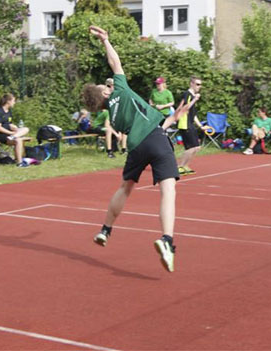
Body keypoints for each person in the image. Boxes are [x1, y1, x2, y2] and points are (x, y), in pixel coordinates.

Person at [81, 25, 191, 272]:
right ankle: (167, 240)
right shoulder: (120, 89)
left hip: (135, 146)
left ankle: (106, 230)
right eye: (104, 85)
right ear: (106, 91)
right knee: (168, 190)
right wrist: (105, 40)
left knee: (125, 186)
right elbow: (114, 61)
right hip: (155, 137)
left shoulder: (114, 115)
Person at [175, 76, 207, 175]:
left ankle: (185, 165)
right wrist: (195, 100)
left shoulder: (193, 96)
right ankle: (179, 166)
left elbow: (193, 115)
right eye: (197, 84)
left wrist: (201, 126)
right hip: (184, 124)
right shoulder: (187, 94)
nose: (199, 87)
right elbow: (184, 107)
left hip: (190, 123)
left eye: (200, 85)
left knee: (196, 147)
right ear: (191, 84)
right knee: (190, 148)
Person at [0, 93, 30, 167]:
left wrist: (14, 128)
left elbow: (9, 124)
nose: (14, 103)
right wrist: (10, 132)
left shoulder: (9, 111)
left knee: (26, 129)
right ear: (8, 101)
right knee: (18, 140)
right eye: (13, 101)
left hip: (9, 134)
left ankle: (13, 136)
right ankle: (19, 163)